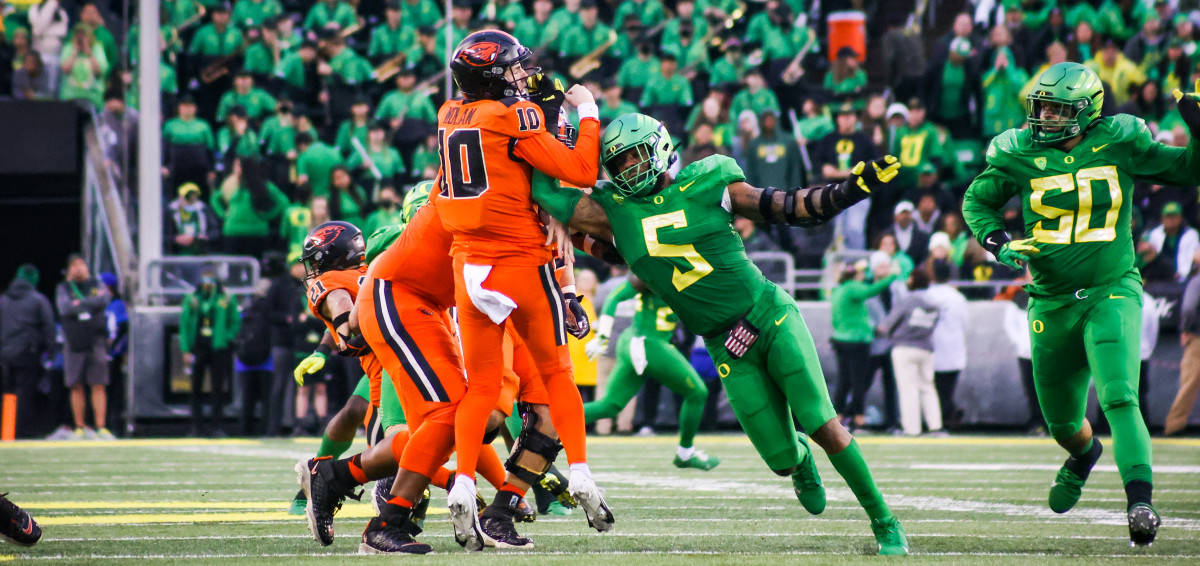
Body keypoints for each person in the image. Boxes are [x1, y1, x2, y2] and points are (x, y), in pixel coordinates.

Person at [533, 112, 909, 554]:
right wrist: (544, 114)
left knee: (823, 423)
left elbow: (789, 206)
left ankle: (884, 521)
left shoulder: (709, 181)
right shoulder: (614, 211)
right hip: (723, 342)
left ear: (660, 146)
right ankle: (801, 459)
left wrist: (848, 190)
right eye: (619, 164)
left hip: (768, 315)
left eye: (635, 155)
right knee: (782, 461)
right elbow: (543, 190)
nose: (630, 169)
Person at [960, 61, 1200, 545]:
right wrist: (999, 243)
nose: (1044, 116)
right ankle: (1083, 454)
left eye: (1056, 108)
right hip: (1050, 302)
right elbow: (976, 201)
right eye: (1042, 106)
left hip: (1112, 287)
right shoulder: (1018, 152)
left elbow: (1190, 170)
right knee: (1065, 423)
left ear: (1087, 111)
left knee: (1119, 395)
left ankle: (1141, 504)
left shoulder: (1119, 140)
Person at [432, 30, 613, 549]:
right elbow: (578, 166)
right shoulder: (514, 117)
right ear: (490, 77)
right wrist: (589, 112)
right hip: (520, 262)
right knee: (558, 377)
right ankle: (579, 472)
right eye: (511, 69)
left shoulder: (448, 115)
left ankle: (463, 480)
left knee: (481, 388)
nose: (521, 77)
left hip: (469, 266)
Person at [583, 276, 719, 470]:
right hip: (649, 343)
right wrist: (603, 335)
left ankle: (551, 424)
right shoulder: (655, 269)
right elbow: (615, 297)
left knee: (610, 405)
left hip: (634, 340)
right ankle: (685, 453)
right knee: (698, 393)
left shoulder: (687, 273)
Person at [831, 261, 897, 432]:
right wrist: (892, 277)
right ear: (856, 274)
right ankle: (858, 420)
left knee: (844, 381)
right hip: (856, 341)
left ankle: (838, 419)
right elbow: (871, 291)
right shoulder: (853, 287)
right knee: (858, 381)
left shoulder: (838, 290)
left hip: (840, 340)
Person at [879, 268, 942, 437]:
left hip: (904, 348)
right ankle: (935, 426)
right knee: (928, 387)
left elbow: (889, 324)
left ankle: (912, 429)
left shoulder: (906, 300)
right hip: (926, 348)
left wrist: (889, 334)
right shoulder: (934, 302)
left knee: (908, 389)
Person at [56, 254, 113, 440]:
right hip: (74, 340)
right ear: (69, 270)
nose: (79, 267)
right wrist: (90, 306)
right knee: (75, 384)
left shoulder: (97, 284)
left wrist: (80, 303)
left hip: (96, 339)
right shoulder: (63, 287)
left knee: (98, 383)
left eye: (82, 264)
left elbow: (104, 300)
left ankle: (101, 426)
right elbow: (65, 308)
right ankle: (79, 426)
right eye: (74, 264)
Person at [179, 271, 241, 437]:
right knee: (195, 388)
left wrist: (225, 338)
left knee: (218, 387)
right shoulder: (192, 298)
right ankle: (196, 426)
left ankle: (217, 426)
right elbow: (184, 324)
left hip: (218, 347)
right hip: (198, 346)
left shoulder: (226, 297)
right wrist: (185, 348)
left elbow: (235, 322)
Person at [0, 265, 55, 439]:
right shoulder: (38, 300)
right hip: (27, 353)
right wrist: (51, 353)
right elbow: (49, 328)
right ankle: (18, 431)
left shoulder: (3, 299)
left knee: (8, 392)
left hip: (4, 354)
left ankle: (7, 431)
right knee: (24, 393)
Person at [925, 261, 968, 429]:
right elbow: (965, 322)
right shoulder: (957, 297)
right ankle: (948, 414)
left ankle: (944, 417)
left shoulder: (928, 295)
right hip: (955, 349)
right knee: (947, 389)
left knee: (934, 390)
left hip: (933, 349)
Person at [1167, 275, 1200, 435]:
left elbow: (1189, 307)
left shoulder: (1197, 280)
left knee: (1188, 383)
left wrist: (1186, 329)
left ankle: (1174, 426)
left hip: (1198, 338)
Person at [1138, 201, 1199, 284]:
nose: (1171, 220)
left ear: (1180, 218)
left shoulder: (1191, 234)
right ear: (1162, 218)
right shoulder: (1155, 233)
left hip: (1183, 278)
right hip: (1159, 277)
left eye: (1174, 216)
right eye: (1168, 216)